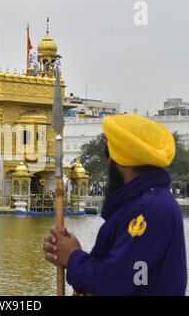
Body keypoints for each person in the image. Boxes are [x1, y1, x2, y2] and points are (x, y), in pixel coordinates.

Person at [44, 114, 187, 295]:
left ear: (122, 160)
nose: (109, 162)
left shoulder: (148, 210)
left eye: (108, 153)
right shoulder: (146, 203)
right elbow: (127, 274)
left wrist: (73, 258)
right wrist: (72, 252)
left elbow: (115, 282)